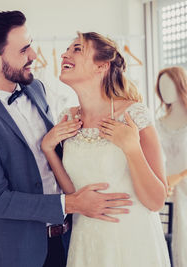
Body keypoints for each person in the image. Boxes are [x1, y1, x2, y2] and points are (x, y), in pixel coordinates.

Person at [0, 11, 132, 267]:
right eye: (23, 50)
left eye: (31, 45)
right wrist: (71, 203)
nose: (34, 56)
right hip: (21, 254)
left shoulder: (35, 88)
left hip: (72, 241)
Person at [41, 31, 171, 267]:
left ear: (101, 66)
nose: (64, 54)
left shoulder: (134, 114)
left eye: (77, 49)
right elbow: (74, 192)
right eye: (68, 49)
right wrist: (49, 149)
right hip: (86, 243)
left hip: (132, 243)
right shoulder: (67, 118)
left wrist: (131, 148)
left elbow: (156, 201)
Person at [155, 66, 187, 267]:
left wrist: (181, 175)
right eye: (161, 86)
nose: (164, 90)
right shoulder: (157, 124)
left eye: (169, 84)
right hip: (167, 192)